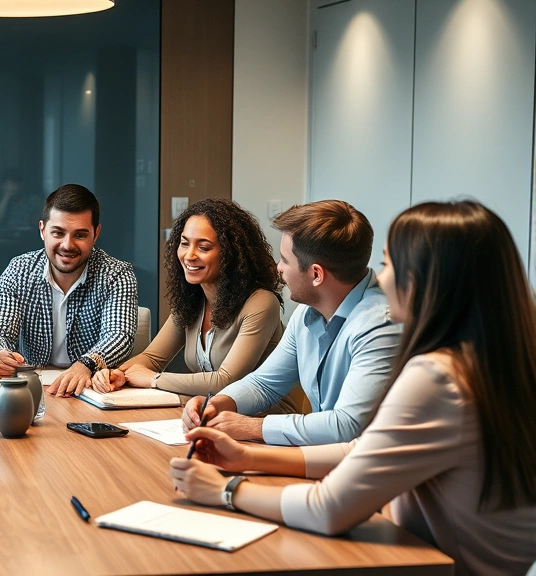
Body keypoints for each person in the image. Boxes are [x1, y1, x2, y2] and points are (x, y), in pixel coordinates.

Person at [171, 200, 536, 576]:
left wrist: (226, 491)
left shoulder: (436, 375)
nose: (382, 278)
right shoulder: (480, 362)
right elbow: (363, 450)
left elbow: (328, 506)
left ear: (424, 281)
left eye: (390, 264)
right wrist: (247, 458)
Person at [182, 200, 401, 445]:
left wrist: (251, 426)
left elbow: (346, 426)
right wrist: (220, 404)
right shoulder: (307, 312)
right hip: (327, 460)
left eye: (285, 260)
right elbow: (263, 384)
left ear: (316, 274)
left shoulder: (381, 326)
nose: (278, 268)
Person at [94, 199, 303, 416]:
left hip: (264, 419)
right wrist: (116, 373)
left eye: (203, 247)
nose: (189, 255)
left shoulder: (261, 302)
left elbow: (225, 381)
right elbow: (153, 359)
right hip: (210, 410)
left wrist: (154, 379)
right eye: (184, 243)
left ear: (230, 253)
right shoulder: (192, 298)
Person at [0, 184, 138, 397]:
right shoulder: (19, 270)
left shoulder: (117, 274)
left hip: (92, 391)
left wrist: (86, 364)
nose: (67, 245)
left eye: (80, 235)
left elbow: (119, 335)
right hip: (32, 391)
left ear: (96, 234)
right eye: (58, 233)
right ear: (42, 230)